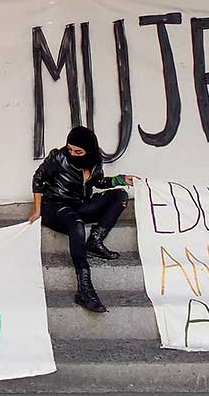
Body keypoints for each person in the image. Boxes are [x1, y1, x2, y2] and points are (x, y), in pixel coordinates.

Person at [29, 126, 135, 313]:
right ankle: (84, 289)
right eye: (70, 149)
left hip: (79, 205)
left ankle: (95, 241)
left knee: (120, 196)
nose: (72, 154)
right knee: (77, 225)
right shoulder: (58, 157)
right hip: (55, 206)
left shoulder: (95, 162)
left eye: (78, 151)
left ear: (90, 151)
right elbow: (38, 178)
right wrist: (37, 210)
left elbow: (98, 182)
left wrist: (121, 179)